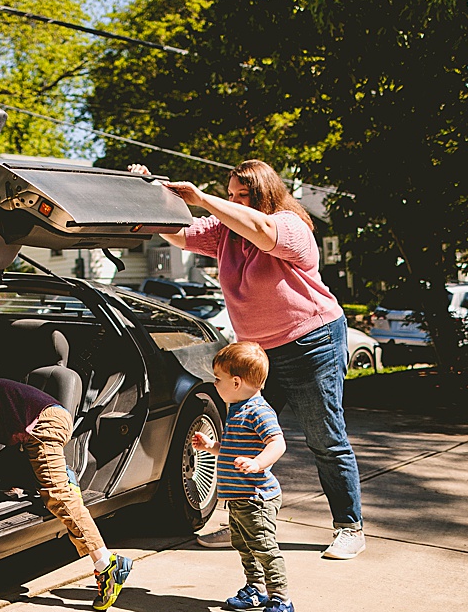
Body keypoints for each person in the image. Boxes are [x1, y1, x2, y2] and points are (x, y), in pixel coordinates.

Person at [131, 159, 365, 560]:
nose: (235, 201)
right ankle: (244, 526)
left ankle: (349, 526)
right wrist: (146, 191)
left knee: (324, 437)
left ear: (266, 195)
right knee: (239, 435)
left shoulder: (291, 225)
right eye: (232, 195)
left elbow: (261, 230)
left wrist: (203, 199)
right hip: (258, 353)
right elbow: (177, 233)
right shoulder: (224, 232)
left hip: (311, 341)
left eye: (245, 196)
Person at [0, 373, 133, 611]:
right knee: (4, 465)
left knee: (58, 497)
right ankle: (65, 475)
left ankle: (107, 563)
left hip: (45, 424)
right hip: (49, 418)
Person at [192, 342, 293, 612]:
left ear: (236, 382)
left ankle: (281, 600)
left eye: (218, 378)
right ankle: (256, 589)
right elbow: (234, 449)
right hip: (239, 499)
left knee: (264, 548)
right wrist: (212, 447)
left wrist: (258, 463)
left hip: (257, 498)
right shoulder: (237, 408)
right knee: (244, 546)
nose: (215, 382)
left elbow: (277, 443)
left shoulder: (259, 411)